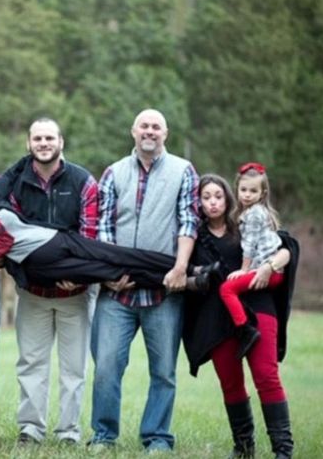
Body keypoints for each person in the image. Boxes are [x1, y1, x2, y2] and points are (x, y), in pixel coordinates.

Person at [0, 117, 99, 445]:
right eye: (37, 138)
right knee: (31, 363)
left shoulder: (83, 181)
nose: (43, 143)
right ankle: (30, 430)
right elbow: (8, 234)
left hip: (75, 292)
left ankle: (69, 433)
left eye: (49, 137)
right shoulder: (16, 182)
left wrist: (74, 275)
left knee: (74, 369)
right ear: (29, 144)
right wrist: (27, 273)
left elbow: (89, 236)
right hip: (31, 291)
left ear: (61, 141)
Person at [89, 108, 199, 453]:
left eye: (156, 127)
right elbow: (102, 226)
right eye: (144, 126)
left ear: (165, 134)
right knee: (106, 367)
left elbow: (188, 221)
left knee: (164, 370)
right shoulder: (113, 173)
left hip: (165, 292)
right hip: (116, 294)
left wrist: (181, 267)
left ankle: (157, 437)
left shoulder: (183, 171)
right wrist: (108, 276)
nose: (149, 131)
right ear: (133, 132)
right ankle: (104, 436)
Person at [0, 194, 212, 292]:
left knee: (122, 254)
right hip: (44, 265)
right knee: (111, 270)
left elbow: (13, 179)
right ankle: (190, 282)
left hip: (61, 238)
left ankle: (188, 267)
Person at [183, 173, 298, 459]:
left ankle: (283, 450)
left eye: (218, 196)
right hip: (217, 319)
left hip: (258, 308)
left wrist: (270, 266)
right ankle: (244, 448)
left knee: (266, 376)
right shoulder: (192, 237)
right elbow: (183, 275)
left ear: (228, 197)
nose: (212, 202)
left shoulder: (247, 222)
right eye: (206, 197)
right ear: (198, 202)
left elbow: (287, 247)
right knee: (231, 383)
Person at [218, 162, 285, 359]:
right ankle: (244, 326)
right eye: (243, 190)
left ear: (262, 193)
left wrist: (244, 270)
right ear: (237, 189)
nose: (247, 194)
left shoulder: (255, 213)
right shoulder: (248, 213)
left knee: (227, 289)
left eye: (253, 191)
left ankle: (245, 329)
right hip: (267, 269)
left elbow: (250, 244)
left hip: (267, 270)